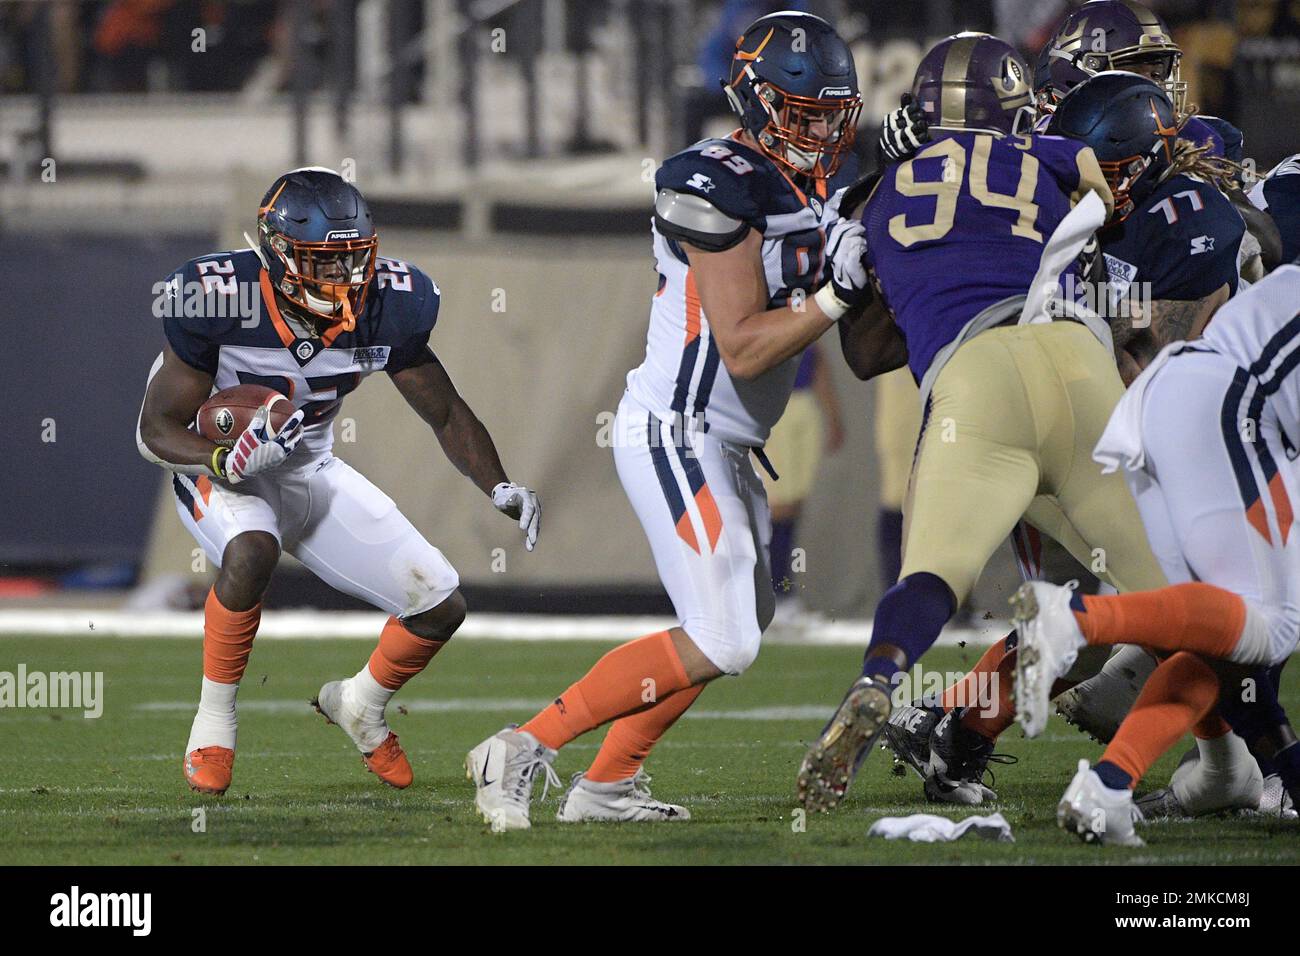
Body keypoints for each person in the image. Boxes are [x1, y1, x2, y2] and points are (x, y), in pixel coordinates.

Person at [464, 11, 872, 830]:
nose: (820, 134)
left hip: (729, 442)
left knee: (735, 624)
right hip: (676, 432)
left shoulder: (812, 184)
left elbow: (849, 342)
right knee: (727, 640)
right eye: (803, 114)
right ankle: (521, 745)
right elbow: (748, 348)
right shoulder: (710, 177)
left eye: (833, 116)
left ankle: (606, 784)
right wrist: (836, 294)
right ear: (755, 103)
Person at [797, 34, 1170, 813]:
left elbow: (863, 350)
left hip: (974, 378)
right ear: (1020, 109)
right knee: (1176, 602)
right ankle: (1269, 765)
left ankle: (877, 680)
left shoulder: (870, 198)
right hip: (1075, 357)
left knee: (933, 574)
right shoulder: (1049, 155)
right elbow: (1100, 191)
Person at [136, 167, 540, 795]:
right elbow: (155, 428)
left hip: (309, 464)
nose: (343, 278)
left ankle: (360, 704)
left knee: (440, 603)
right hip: (223, 464)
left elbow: (446, 410)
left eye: (352, 259)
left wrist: (498, 485)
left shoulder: (389, 304)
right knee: (251, 550)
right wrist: (223, 459)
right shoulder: (216, 297)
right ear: (277, 252)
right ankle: (215, 716)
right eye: (323, 262)